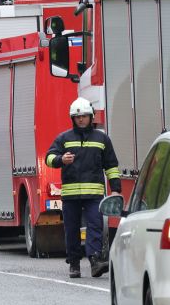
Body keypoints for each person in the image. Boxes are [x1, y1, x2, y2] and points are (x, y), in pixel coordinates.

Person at [45, 98, 120, 279]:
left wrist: (116, 190)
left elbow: (111, 166)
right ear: (72, 118)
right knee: (71, 229)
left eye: (84, 116)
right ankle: (74, 263)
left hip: (94, 194)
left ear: (91, 116)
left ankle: (94, 260)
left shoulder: (102, 139)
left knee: (95, 226)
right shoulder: (64, 138)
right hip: (70, 195)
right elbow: (48, 157)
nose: (81, 120)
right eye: (77, 116)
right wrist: (60, 159)